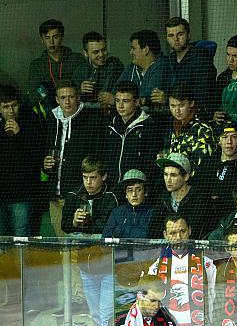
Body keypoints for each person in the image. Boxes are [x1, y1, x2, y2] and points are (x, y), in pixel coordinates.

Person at [60, 156, 119, 326]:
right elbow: (65, 226)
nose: (88, 182)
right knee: (95, 314)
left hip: (108, 264)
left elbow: (107, 227)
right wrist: (73, 221)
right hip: (85, 266)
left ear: (104, 176)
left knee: (107, 314)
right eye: (85, 177)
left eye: (93, 178)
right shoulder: (73, 195)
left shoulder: (112, 196)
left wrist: (84, 225)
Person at [43, 79, 103, 237]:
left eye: (71, 96)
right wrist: (45, 163)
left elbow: (96, 159)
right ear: (57, 99)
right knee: (63, 248)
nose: (67, 101)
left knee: (80, 246)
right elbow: (41, 151)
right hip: (54, 197)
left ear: (78, 97)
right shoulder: (51, 120)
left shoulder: (92, 121)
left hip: (78, 196)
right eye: (63, 98)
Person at [147, 214, 216, 326]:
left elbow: (213, 297)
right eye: (173, 233)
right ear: (165, 235)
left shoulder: (206, 263)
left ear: (189, 230)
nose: (178, 237)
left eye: (182, 231)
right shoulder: (155, 268)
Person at [0, 84, 41, 236]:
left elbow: (37, 157)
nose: (11, 111)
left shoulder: (31, 122)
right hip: (1, 195)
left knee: (21, 241)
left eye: (14, 105)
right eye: (5, 107)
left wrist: (20, 134)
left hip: (22, 195)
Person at [104, 81, 160, 186]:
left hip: (136, 191)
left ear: (136, 102)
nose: (120, 106)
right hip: (112, 188)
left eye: (125, 101)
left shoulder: (149, 128)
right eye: (117, 101)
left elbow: (151, 166)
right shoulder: (110, 126)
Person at [161, 17, 217, 117]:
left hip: (197, 119)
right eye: (171, 35)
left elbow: (203, 97)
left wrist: (166, 99)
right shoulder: (169, 60)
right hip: (175, 120)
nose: (176, 39)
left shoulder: (201, 60)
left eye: (180, 34)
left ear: (188, 35)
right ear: (166, 38)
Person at [164, 83, 217, 184]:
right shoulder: (176, 127)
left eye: (181, 105)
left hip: (195, 187)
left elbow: (200, 168)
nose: (177, 111)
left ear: (191, 103)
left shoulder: (202, 130)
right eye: (173, 106)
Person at [27, 19, 83, 111]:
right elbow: (33, 94)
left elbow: (83, 87)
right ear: (42, 39)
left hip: (75, 108)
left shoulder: (76, 59)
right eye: (47, 37)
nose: (51, 42)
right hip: (48, 112)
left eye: (55, 37)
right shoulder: (36, 65)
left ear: (62, 37)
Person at [150, 153, 208, 239]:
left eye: (173, 175)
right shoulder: (163, 198)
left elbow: (198, 232)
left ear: (186, 177)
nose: (168, 180)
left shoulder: (200, 199)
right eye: (166, 174)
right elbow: (153, 231)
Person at [205, 121, 237, 223]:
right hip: (209, 218)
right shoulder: (208, 163)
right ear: (219, 141)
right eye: (224, 137)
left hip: (236, 219)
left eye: (234, 137)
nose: (229, 142)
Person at [72, 31, 123, 110]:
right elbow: (70, 98)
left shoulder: (115, 66)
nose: (101, 55)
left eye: (104, 50)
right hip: (86, 116)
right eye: (96, 52)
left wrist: (115, 99)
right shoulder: (80, 70)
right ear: (86, 53)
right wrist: (80, 90)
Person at [116, 29, 165, 109]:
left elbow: (149, 95)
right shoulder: (130, 68)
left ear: (145, 49)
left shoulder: (162, 66)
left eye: (133, 48)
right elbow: (117, 89)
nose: (130, 52)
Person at [102, 169, 154, 239]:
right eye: (130, 190)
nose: (134, 194)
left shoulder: (152, 212)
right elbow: (106, 236)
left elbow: (147, 235)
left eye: (138, 190)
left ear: (146, 192)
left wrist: (119, 230)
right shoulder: (117, 212)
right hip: (120, 250)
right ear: (126, 194)